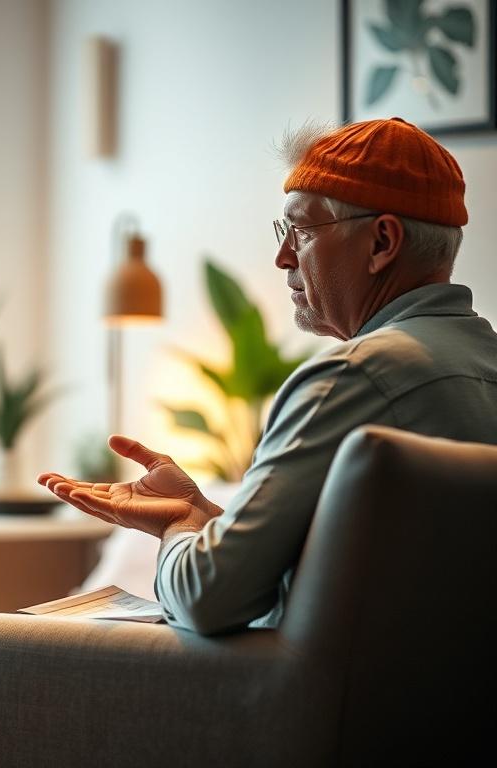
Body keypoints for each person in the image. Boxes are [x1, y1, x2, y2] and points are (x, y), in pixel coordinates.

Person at [40, 117, 497, 635]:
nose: (282, 258)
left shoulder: (351, 379)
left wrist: (176, 525)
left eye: (299, 232)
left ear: (381, 243)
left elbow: (205, 599)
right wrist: (200, 511)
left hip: (302, 707)